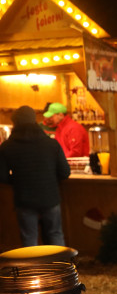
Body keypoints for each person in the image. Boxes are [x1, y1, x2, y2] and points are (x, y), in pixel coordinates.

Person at [0, 105, 70, 246]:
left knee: (29, 239)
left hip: (24, 199)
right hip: (50, 197)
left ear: (15, 123)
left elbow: (2, 176)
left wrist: (19, 180)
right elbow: (65, 172)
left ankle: (33, 269)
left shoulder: (7, 147)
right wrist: (49, 176)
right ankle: (60, 267)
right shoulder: (51, 144)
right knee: (55, 234)